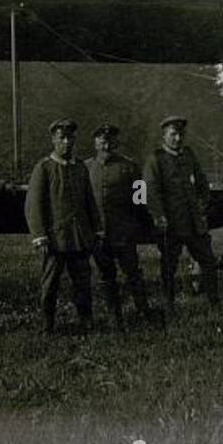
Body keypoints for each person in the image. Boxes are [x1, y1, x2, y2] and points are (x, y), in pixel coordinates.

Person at [25, 118, 102, 334]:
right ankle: (47, 324)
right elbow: (34, 205)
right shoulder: (44, 167)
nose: (67, 143)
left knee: (83, 283)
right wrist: (39, 235)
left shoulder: (80, 168)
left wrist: (97, 229)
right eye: (62, 138)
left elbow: (89, 201)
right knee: (50, 285)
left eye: (71, 138)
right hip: (55, 240)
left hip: (79, 238)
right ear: (53, 140)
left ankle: (86, 321)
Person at [142, 115, 221, 311]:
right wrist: (159, 216)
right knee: (168, 266)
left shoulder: (189, 155)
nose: (178, 138)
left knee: (208, 262)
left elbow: (202, 184)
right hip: (171, 223)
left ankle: (215, 303)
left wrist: (203, 206)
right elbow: (150, 191)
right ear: (164, 135)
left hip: (195, 223)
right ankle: (169, 306)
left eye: (181, 134)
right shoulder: (156, 159)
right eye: (173, 134)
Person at [85, 123, 159, 329]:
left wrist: (141, 226)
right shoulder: (86, 168)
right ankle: (114, 317)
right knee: (106, 276)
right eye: (102, 140)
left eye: (110, 141)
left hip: (124, 232)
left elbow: (140, 199)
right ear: (95, 143)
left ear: (116, 142)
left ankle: (144, 312)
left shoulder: (130, 166)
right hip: (99, 233)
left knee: (133, 273)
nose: (106, 145)